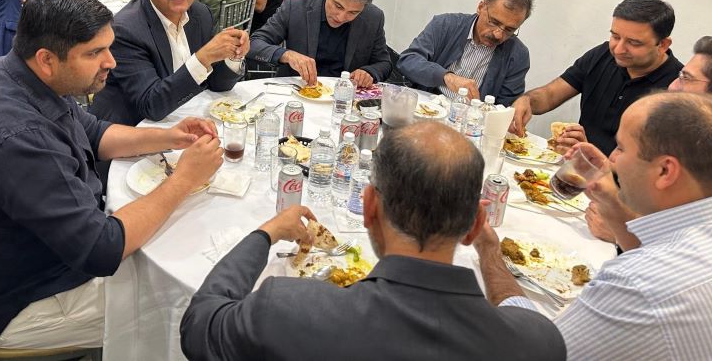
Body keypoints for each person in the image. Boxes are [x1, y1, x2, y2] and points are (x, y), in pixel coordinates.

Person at [0, 0, 223, 348]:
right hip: (15, 304)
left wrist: (171, 137)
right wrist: (184, 179)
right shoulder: (18, 138)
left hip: (7, 261)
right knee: (194, 308)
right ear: (48, 58)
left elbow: (93, 131)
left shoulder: (8, 73)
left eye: (109, 47)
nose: (111, 62)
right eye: (95, 52)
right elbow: (101, 248)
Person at [180, 121, 566, 361]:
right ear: (475, 223)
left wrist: (264, 235)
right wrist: (490, 251)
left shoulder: (287, 309)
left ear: (368, 208)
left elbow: (199, 323)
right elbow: (523, 313)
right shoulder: (539, 344)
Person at [476, 92, 712, 360]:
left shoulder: (640, 285)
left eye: (622, 148)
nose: (611, 158)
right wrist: (610, 193)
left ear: (665, 172)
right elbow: (652, 244)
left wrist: (489, 251)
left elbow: (535, 349)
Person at [586, 35, 712, 247]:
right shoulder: (693, 136)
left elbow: (703, 255)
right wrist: (610, 173)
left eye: (686, 78)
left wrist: (625, 231)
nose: (673, 86)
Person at [90, 0, 248, 126]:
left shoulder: (200, 14)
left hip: (185, 118)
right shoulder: (126, 30)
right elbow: (152, 105)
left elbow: (218, 85)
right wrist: (202, 59)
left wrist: (234, 56)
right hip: (133, 131)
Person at [510, 0, 683, 155]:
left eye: (633, 43)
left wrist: (589, 155)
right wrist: (527, 100)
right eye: (615, 36)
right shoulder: (602, 55)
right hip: (573, 168)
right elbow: (550, 95)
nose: (619, 49)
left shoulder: (677, 89)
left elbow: (649, 170)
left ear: (662, 45)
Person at [248, 0, 391, 87]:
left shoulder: (373, 17)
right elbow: (254, 43)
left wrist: (369, 72)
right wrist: (287, 55)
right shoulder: (296, 6)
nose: (341, 17)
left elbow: (384, 63)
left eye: (353, 12)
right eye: (338, 6)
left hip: (344, 100)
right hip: (297, 93)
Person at [397, 0, 533, 105]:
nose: (498, 34)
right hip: (427, 108)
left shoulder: (518, 55)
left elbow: (506, 106)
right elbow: (408, 61)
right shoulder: (445, 25)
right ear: (481, 7)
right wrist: (446, 77)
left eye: (509, 30)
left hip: (473, 125)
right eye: (494, 22)